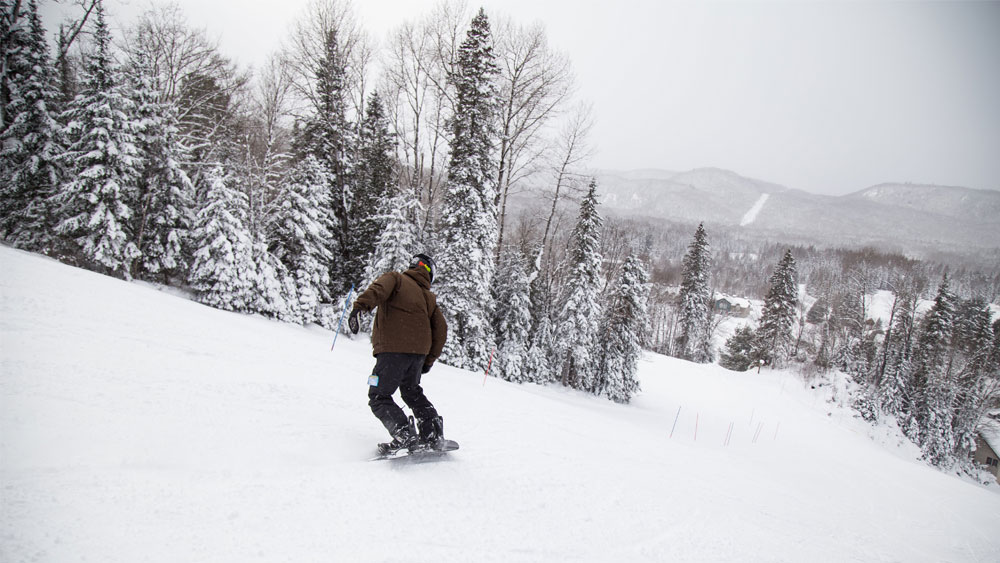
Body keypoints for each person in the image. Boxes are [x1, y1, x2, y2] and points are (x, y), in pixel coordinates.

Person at [348, 253, 448, 451]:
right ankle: (432, 432)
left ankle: (404, 434)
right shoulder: (429, 298)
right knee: (412, 392)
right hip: (417, 356)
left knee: (378, 396)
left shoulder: (397, 279)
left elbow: (378, 289)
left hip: (392, 351)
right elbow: (441, 330)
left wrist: (359, 308)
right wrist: (427, 361)